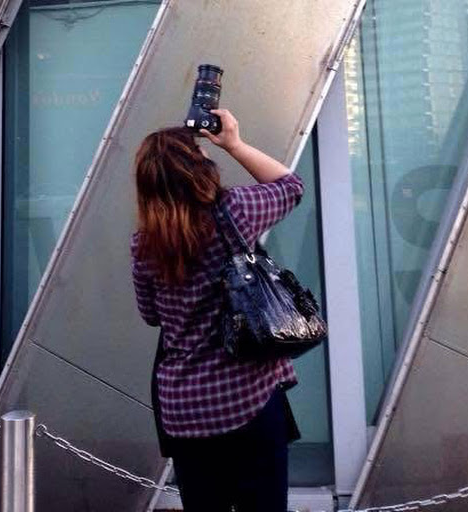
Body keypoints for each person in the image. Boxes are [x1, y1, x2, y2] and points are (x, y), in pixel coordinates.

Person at [130, 109, 304, 512]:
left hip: (185, 410)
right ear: (197, 169)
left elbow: (150, 315)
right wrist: (233, 144)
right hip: (248, 398)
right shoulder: (234, 212)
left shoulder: (144, 245)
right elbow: (290, 186)